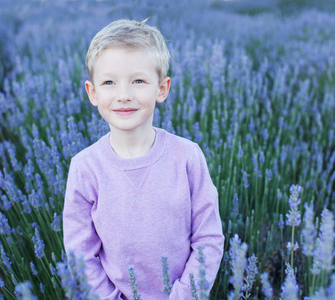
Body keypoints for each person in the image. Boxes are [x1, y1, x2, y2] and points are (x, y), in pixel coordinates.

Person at [63, 19, 224, 299]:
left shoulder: (187, 157)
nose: (124, 95)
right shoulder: (85, 168)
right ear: (93, 92)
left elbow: (208, 239)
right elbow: (80, 253)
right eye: (109, 82)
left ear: (162, 88)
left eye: (138, 81)